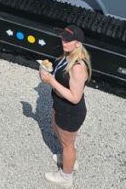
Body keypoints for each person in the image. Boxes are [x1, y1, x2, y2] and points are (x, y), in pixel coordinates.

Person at [39, 25, 91, 187]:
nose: (64, 42)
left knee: (68, 144)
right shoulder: (67, 56)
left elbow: (75, 98)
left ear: (78, 44)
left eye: (68, 41)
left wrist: (51, 81)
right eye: (63, 38)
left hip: (70, 112)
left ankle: (66, 176)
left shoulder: (77, 67)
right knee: (59, 133)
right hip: (60, 105)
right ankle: (68, 159)